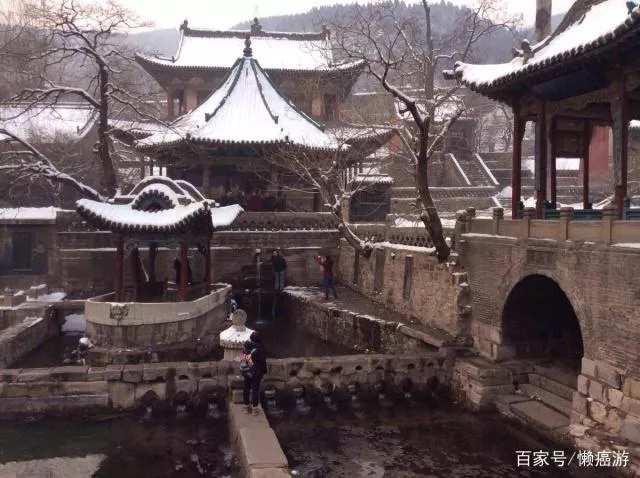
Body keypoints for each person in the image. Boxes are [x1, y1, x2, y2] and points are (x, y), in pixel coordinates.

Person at [240, 335, 266, 415]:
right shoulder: (260, 349)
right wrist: (263, 372)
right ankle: (254, 409)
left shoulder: (246, 347)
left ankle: (246, 407)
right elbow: (263, 362)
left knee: (246, 388)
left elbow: (243, 360)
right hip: (256, 372)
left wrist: (244, 370)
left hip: (247, 371)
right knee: (255, 390)